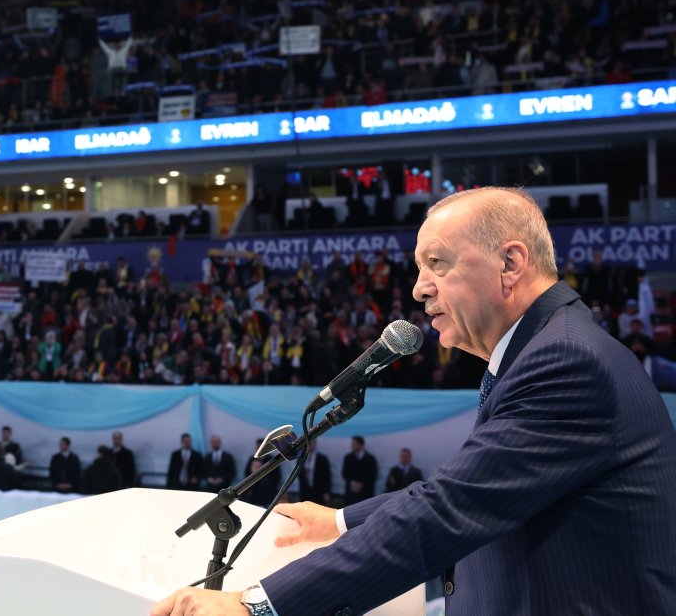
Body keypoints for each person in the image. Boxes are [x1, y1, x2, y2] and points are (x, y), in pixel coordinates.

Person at [151, 186, 676, 615]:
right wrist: (336, 523)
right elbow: (472, 488)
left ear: (511, 262)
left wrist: (254, 607)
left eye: (437, 264)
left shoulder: (565, 362)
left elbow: (449, 509)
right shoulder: (544, 349)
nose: (420, 290)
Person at [341, 436, 377, 505]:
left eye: (355, 444)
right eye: (352, 444)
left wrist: (362, 484)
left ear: (361, 445)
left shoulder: (370, 459)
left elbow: (373, 475)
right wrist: (352, 482)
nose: (352, 446)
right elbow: (344, 473)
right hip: (351, 494)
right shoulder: (348, 458)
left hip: (365, 494)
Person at [296, 438, 332, 505]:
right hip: (305, 490)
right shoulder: (301, 458)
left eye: (311, 443)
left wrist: (327, 491)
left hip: (318, 490)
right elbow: (298, 473)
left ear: (315, 444)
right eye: (308, 444)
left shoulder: (322, 459)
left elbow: (327, 476)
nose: (309, 445)